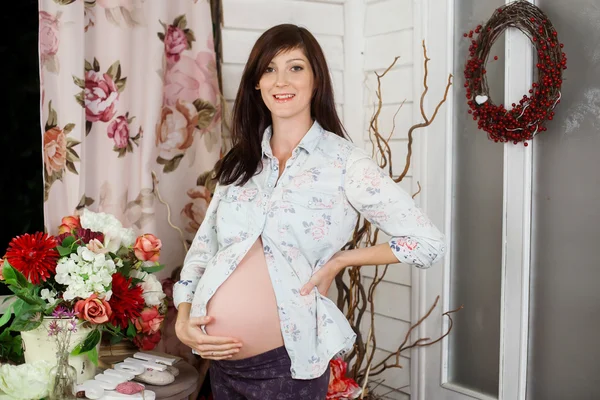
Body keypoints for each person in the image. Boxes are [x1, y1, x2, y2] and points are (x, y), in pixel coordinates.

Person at [173, 24, 446, 400]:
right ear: (256, 83)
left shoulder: (345, 163)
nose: (281, 80)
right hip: (219, 366)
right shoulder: (239, 162)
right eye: (269, 69)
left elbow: (427, 243)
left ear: (316, 79)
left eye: (295, 67)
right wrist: (184, 319)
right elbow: (204, 250)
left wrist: (340, 261)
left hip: (287, 370)